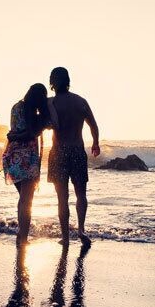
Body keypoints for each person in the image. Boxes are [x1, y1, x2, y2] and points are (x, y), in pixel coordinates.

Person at [46, 67, 100, 244]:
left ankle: (65, 237)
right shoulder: (80, 101)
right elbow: (93, 125)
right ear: (68, 80)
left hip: (58, 152)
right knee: (81, 194)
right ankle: (82, 230)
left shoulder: (50, 103)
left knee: (62, 197)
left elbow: (40, 124)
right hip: (77, 150)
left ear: (52, 82)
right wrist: (95, 143)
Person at [1, 83, 49, 243]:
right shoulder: (30, 111)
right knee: (26, 200)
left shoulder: (16, 107)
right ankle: (23, 237)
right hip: (26, 159)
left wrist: (14, 136)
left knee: (23, 199)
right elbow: (31, 133)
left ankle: (21, 233)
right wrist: (42, 123)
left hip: (12, 157)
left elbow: (16, 132)